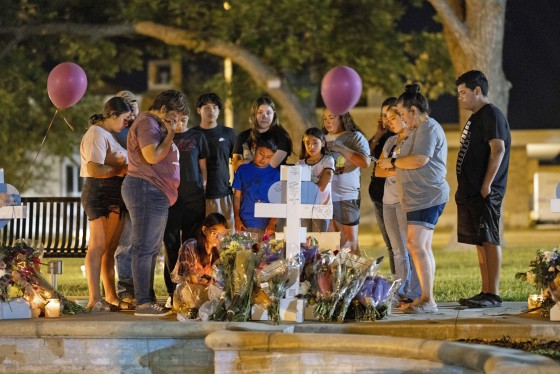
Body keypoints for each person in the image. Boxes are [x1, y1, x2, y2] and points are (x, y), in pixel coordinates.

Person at [378, 83, 449, 314]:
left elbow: (419, 160)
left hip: (428, 195)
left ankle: (427, 299)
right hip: (416, 196)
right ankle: (426, 297)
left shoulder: (428, 127)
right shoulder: (416, 130)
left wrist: (393, 163)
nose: (400, 117)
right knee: (419, 245)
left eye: (401, 113)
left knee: (416, 244)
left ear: (413, 111)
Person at [122, 89, 188, 317]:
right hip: (146, 188)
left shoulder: (153, 124)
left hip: (155, 191)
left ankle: (147, 299)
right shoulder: (148, 124)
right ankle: (142, 302)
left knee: (150, 249)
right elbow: (152, 156)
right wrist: (170, 133)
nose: (176, 122)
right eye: (173, 117)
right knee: (144, 248)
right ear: (162, 110)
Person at [455, 70, 511, 308]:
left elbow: (497, 149)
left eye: (463, 92)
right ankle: (485, 290)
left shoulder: (492, 115)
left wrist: (486, 184)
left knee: (489, 238)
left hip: (486, 192)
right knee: (480, 241)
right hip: (472, 193)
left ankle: (494, 293)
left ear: (477, 90)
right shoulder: (476, 117)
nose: (460, 97)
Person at [80, 96, 132, 311]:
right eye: (125, 118)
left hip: (114, 193)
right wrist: (120, 170)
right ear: (112, 115)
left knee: (110, 248)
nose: (127, 123)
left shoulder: (108, 135)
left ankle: (110, 296)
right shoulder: (96, 134)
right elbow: (94, 169)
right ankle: (95, 299)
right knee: (98, 246)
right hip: (100, 194)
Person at [374, 105, 421, 305]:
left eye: (393, 118)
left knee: (410, 247)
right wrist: (396, 167)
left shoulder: (413, 140)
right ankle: (401, 290)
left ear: (404, 117)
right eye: (386, 118)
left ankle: (417, 291)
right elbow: (378, 171)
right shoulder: (391, 141)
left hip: (405, 199)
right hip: (388, 200)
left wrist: (391, 166)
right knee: (396, 249)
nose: (388, 122)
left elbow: (413, 169)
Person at [163, 110, 209, 308]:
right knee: (171, 245)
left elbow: (203, 168)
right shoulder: (164, 137)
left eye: (183, 119)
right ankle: (171, 291)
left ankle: (191, 291)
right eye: (175, 120)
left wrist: (202, 187)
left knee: (191, 246)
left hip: (193, 198)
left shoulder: (198, 137)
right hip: (170, 198)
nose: (179, 123)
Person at [322, 109, 371, 254]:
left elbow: (365, 162)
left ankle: (355, 276)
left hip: (346, 196)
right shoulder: (321, 138)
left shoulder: (355, 137)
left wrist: (340, 148)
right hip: (325, 197)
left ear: (343, 117)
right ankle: (335, 276)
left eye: (331, 117)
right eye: (324, 118)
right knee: (331, 244)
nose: (327, 121)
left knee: (350, 243)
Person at [192, 93, 237, 230]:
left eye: (215, 107)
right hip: (199, 196)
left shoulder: (228, 133)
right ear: (199, 110)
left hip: (223, 193)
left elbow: (236, 163)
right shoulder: (192, 135)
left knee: (228, 237)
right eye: (206, 107)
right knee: (201, 237)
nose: (211, 111)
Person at [170, 213, 228, 315]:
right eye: (214, 233)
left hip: (209, 292)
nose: (218, 238)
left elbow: (220, 280)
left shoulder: (220, 251)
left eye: (222, 235)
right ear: (204, 230)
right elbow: (191, 280)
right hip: (190, 293)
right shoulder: (190, 246)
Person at [113, 90, 140, 305]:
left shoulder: (145, 128)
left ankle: (141, 289)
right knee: (126, 243)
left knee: (142, 244)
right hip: (122, 191)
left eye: (134, 103)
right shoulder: (117, 132)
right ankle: (125, 290)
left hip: (143, 191)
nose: (132, 108)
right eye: (127, 105)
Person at [368, 97, 397, 275]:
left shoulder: (400, 137)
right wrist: (377, 135)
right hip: (378, 195)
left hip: (394, 196)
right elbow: (365, 156)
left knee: (399, 245)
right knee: (390, 245)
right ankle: (397, 283)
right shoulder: (381, 137)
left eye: (390, 115)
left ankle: (405, 285)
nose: (387, 119)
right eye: (383, 115)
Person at [232, 138, 281, 236]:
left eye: (269, 157)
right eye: (261, 154)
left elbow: (278, 201)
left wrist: (272, 222)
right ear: (255, 149)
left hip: (266, 225)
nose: (263, 159)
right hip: (245, 222)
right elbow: (237, 197)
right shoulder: (243, 170)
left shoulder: (276, 174)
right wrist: (237, 218)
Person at [232, 96, 293, 171]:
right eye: (260, 112)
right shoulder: (242, 136)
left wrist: (244, 162)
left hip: (274, 182)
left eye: (268, 113)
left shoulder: (282, 137)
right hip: (245, 182)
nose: (264, 116)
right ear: (254, 114)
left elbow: (270, 166)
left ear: (274, 114)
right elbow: (235, 165)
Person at [296, 127, 334, 232]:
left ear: (322, 143)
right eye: (307, 143)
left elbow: (322, 187)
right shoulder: (300, 164)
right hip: (303, 207)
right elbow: (294, 187)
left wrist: (305, 187)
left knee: (317, 241)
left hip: (321, 207)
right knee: (304, 240)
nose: (311, 146)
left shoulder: (327, 160)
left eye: (315, 143)